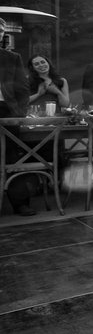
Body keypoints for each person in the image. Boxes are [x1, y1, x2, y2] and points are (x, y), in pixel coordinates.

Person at [0, 17, 36, 216]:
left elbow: (23, 89)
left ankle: (20, 203)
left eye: (0, 31)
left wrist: (20, 114)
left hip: (6, 111)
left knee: (13, 157)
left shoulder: (11, 57)